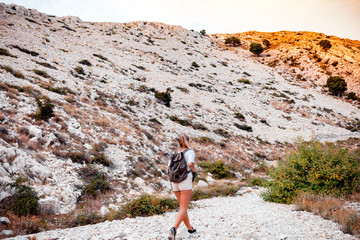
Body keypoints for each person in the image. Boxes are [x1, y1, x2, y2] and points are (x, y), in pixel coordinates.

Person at [168, 134, 197, 240]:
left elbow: (168, 167)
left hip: (174, 182)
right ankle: (174, 229)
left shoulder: (174, 153)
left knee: (182, 208)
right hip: (185, 180)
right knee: (184, 207)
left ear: (178, 142)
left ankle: (190, 228)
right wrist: (195, 171)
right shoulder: (190, 152)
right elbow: (190, 164)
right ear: (188, 141)